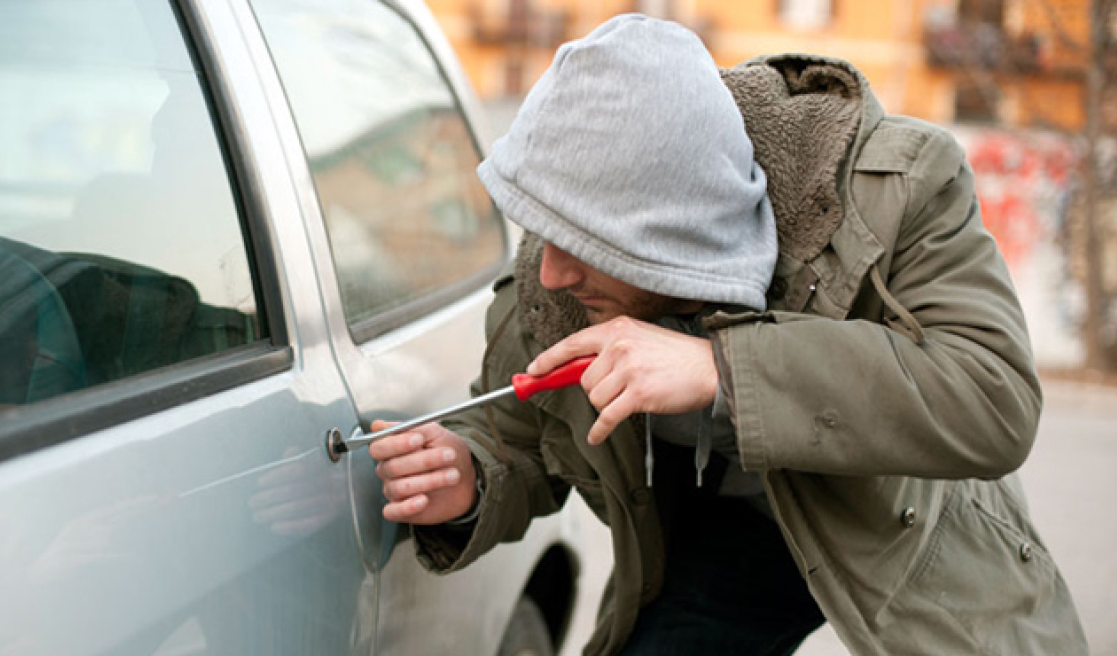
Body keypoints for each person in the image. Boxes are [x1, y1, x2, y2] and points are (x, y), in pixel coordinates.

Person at [369, 14, 1087, 656]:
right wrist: (471, 475)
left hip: (907, 529)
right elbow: (521, 431)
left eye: (583, 245)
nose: (551, 273)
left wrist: (721, 368)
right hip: (726, 543)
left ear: (668, 231)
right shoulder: (553, 277)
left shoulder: (899, 187)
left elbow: (992, 399)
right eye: (544, 233)